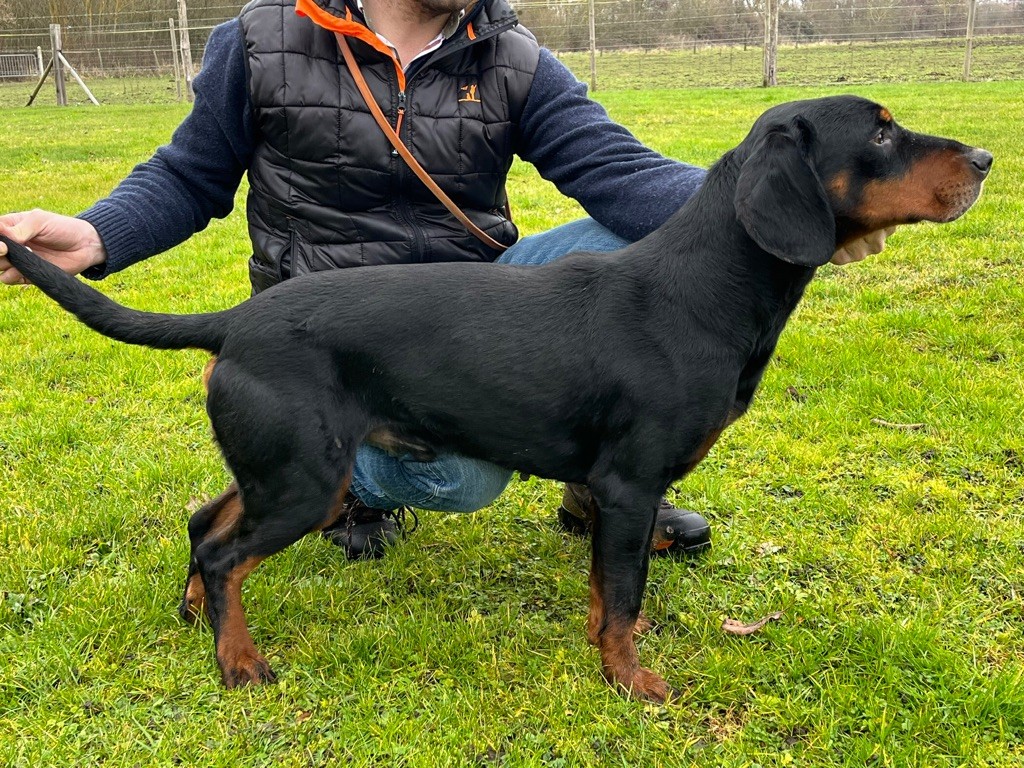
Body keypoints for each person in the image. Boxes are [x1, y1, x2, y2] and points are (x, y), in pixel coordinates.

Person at [0, 0, 887, 560]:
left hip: (474, 301)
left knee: (651, 227)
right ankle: (310, 441)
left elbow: (621, 173)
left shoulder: (513, 56)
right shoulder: (263, 37)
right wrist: (90, 236)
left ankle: (607, 478)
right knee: (461, 482)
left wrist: (787, 217)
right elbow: (188, 177)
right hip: (326, 321)